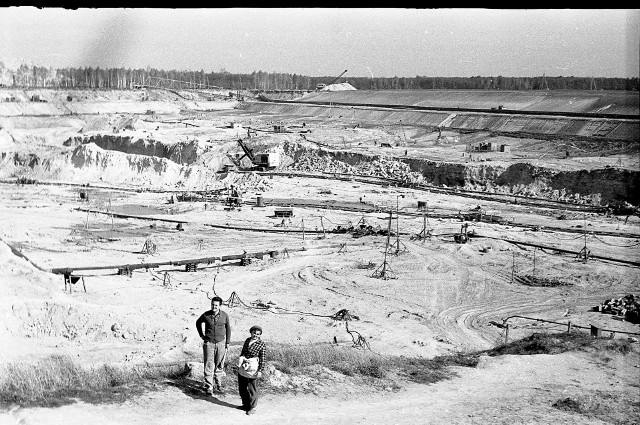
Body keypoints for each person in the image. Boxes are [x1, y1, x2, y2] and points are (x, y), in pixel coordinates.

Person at [196, 296, 231, 395]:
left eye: (216, 305)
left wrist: (227, 342)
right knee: (208, 365)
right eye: (212, 304)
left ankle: (218, 384)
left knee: (219, 364)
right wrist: (202, 335)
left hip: (221, 343)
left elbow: (228, 328)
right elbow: (198, 323)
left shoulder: (224, 315)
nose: (214, 307)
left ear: (220, 306)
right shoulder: (206, 315)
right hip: (209, 343)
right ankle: (209, 386)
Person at [237, 325, 267, 415]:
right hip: (244, 365)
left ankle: (252, 407)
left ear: (260, 335)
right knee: (242, 387)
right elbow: (243, 352)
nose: (255, 335)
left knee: (252, 388)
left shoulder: (261, 344)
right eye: (254, 333)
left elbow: (263, 359)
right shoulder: (247, 340)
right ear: (251, 333)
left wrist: (260, 371)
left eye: (258, 334)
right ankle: (246, 404)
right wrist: (240, 362)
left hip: (253, 367)